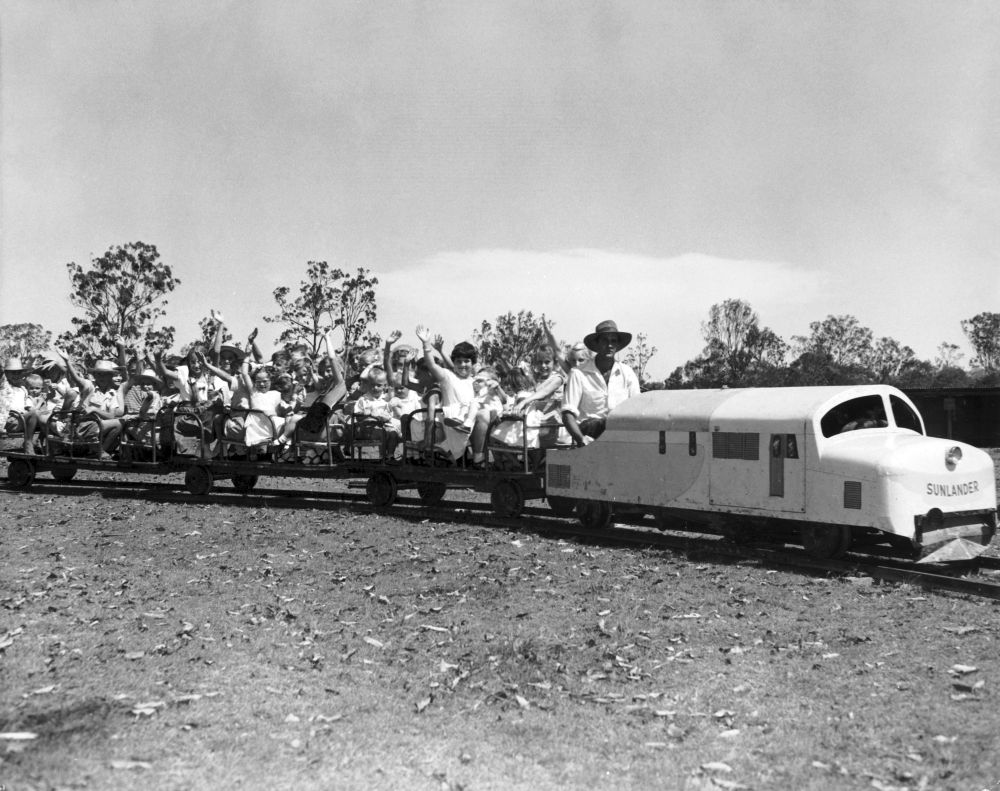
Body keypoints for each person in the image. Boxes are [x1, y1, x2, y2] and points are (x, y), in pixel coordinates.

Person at [562, 320, 641, 447]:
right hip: (589, 435)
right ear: (597, 344)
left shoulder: (627, 373)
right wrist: (581, 440)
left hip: (620, 436)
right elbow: (567, 414)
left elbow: (638, 409)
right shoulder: (578, 373)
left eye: (613, 341)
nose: (609, 345)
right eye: (605, 340)